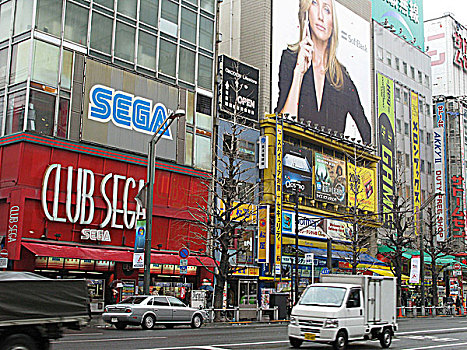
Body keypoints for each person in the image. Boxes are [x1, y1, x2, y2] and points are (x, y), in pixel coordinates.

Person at [275, 0, 371, 144]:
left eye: (327, 10)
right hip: (292, 158)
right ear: (306, 11)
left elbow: (367, 134)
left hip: (332, 162)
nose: (320, 16)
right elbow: (282, 126)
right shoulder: (291, 58)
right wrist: (299, 73)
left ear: (333, 22)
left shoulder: (342, 78)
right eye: (314, 3)